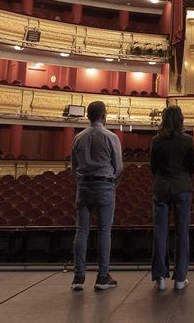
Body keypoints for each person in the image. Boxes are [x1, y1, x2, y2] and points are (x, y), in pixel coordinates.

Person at [70, 101, 123, 292]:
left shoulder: (78, 137)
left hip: (83, 186)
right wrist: (111, 183)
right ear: (104, 115)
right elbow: (119, 168)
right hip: (104, 185)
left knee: (81, 230)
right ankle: (102, 277)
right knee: (104, 232)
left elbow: (73, 167)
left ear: (88, 116)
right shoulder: (111, 137)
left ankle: (78, 277)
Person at [149, 105, 194, 291]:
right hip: (182, 187)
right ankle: (180, 278)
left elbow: (152, 165)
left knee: (160, 233)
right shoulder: (188, 140)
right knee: (182, 233)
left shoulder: (156, 140)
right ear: (180, 120)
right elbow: (192, 166)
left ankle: (160, 278)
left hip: (161, 187)